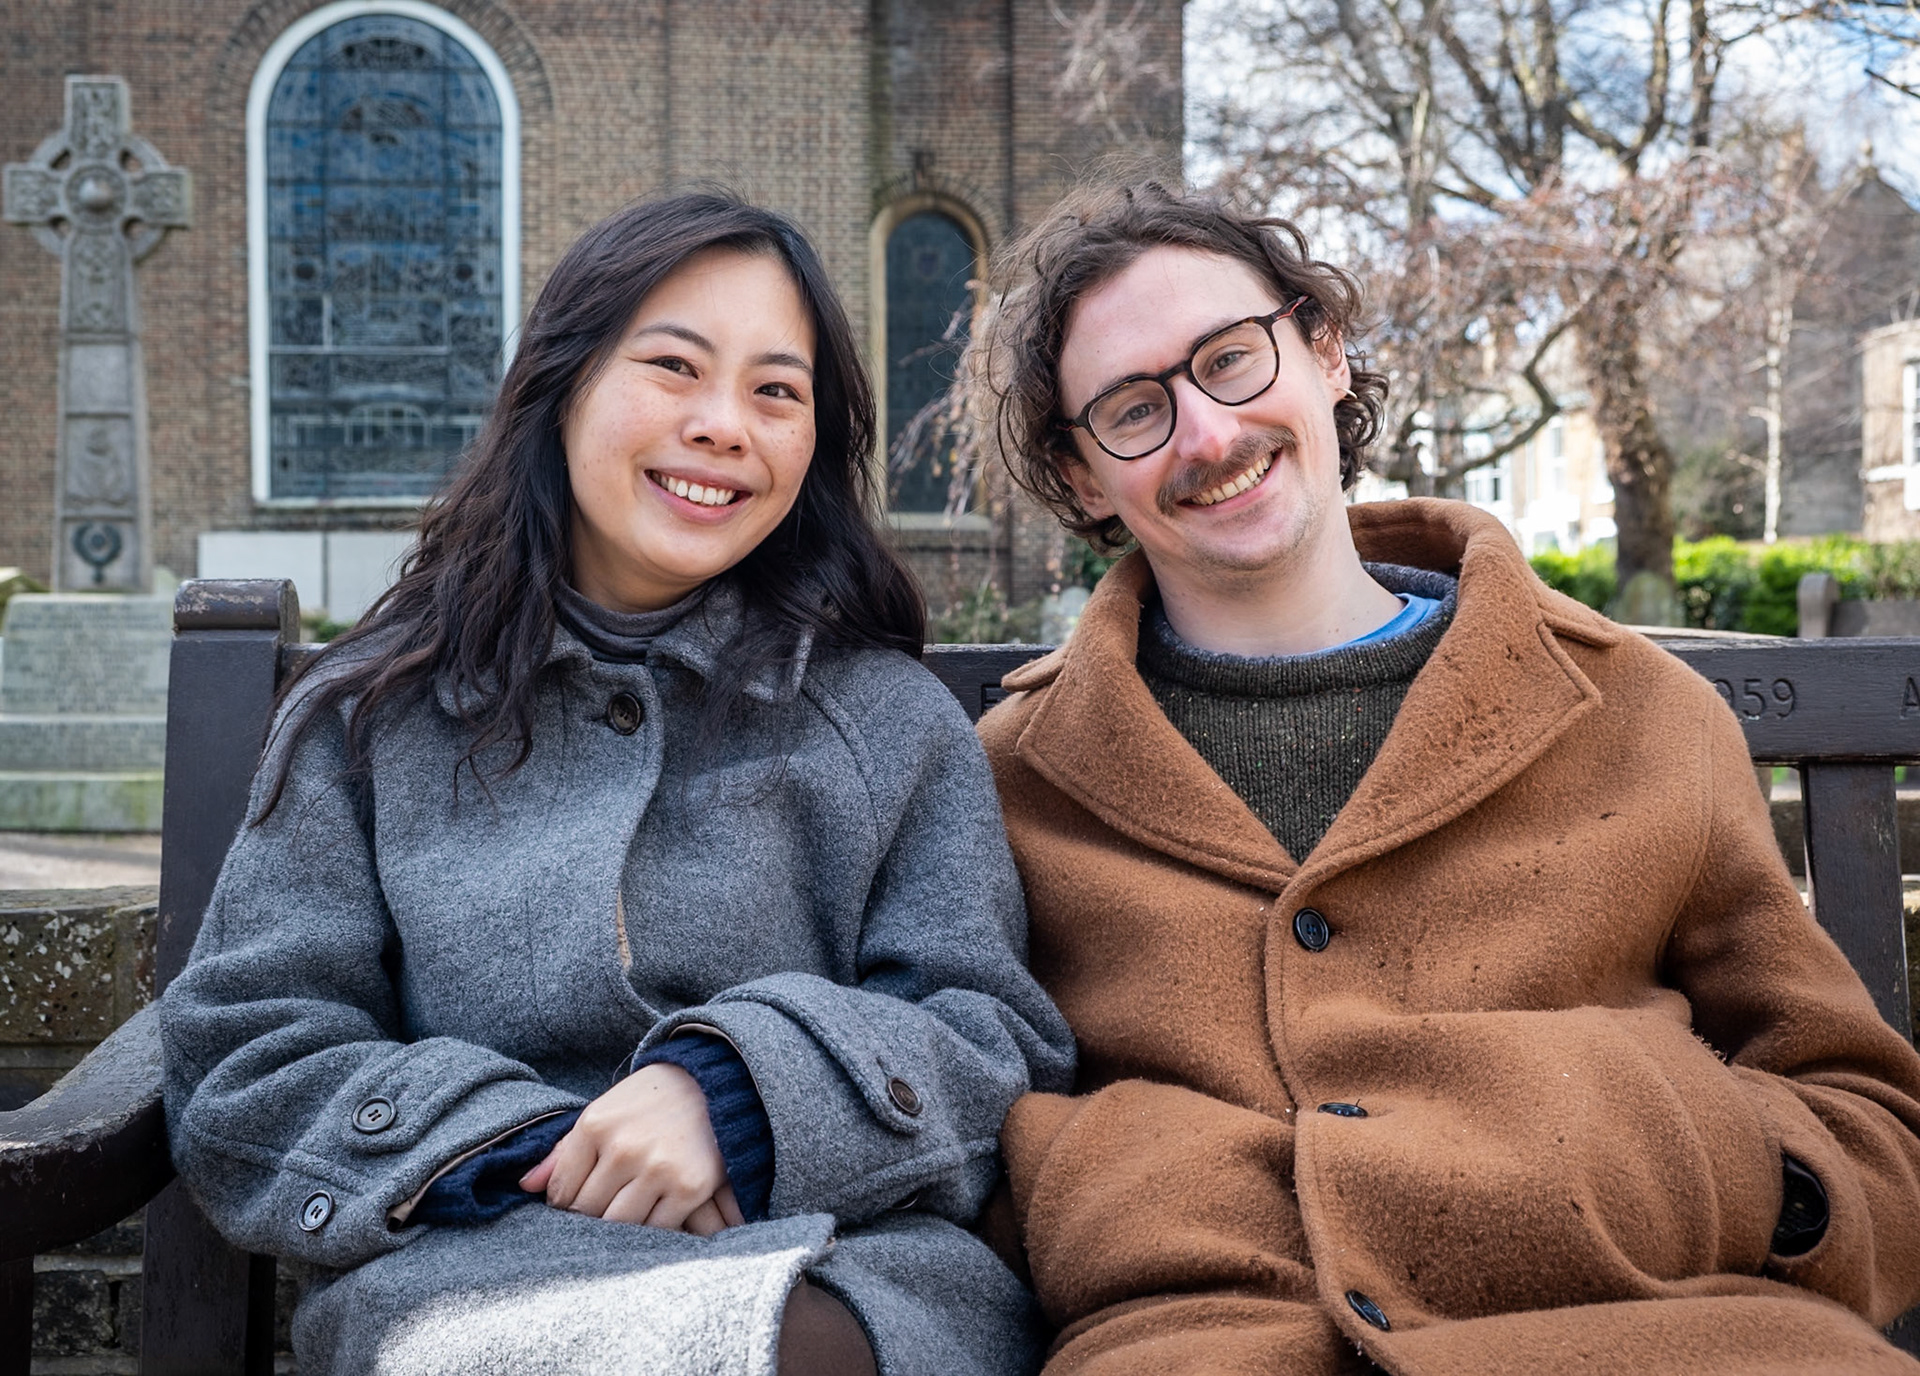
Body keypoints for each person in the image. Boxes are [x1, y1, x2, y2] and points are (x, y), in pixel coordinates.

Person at [967, 179, 1920, 1375]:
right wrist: (1107, 1186)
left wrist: (1713, 1169)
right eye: (1133, 409)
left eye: (1231, 359)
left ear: (1326, 352)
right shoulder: (1012, 777)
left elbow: (1872, 1123)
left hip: (1673, 1328)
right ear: (1084, 477)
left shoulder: (1637, 711)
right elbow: (956, 1086)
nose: (1207, 434)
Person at [160, 192, 1074, 1376]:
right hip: (472, 1269)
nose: (722, 424)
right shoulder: (368, 720)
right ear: (564, 384)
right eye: (673, 366)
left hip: (841, 1267)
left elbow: (990, 1034)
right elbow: (250, 1056)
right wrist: (541, 1144)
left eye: (776, 391)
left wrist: (740, 1097)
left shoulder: (889, 723)